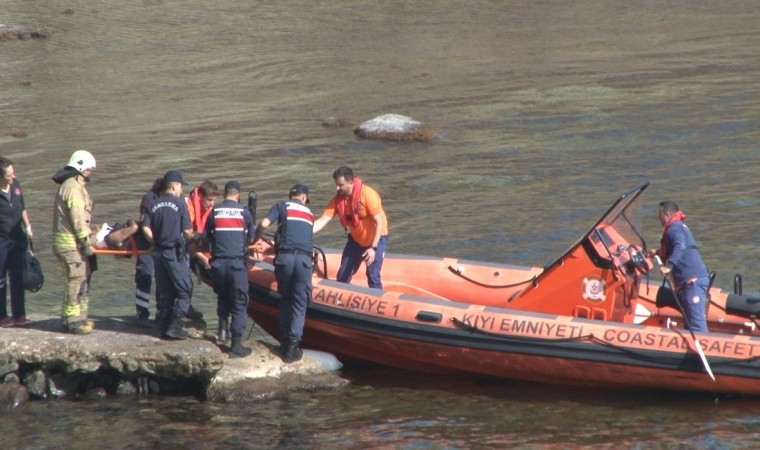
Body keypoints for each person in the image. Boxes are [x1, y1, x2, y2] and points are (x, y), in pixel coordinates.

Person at [254, 184, 314, 363]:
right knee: (300, 302)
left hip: (285, 260)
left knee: (286, 298)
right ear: (304, 198)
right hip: (303, 261)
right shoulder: (309, 214)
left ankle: (283, 342)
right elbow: (302, 240)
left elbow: (264, 224)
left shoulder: (282, 206)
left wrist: (256, 239)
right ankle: (292, 348)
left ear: (291, 195)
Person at [142, 170, 197, 340]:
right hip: (174, 253)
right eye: (180, 186)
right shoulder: (180, 204)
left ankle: (161, 326)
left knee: (165, 291)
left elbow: (145, 228)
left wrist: (154, 242)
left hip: (158, 253)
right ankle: (175, 326)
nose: (181, 190)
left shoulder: (153, 204)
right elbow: (187, 232)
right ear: (173, 186)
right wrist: (198, 239)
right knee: (185, 290)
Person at [312, 166, 389, 289]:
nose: (337, 188)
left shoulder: (368, 194)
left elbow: (379, 222)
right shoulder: (338, 200)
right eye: (336, 184)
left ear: (351, 182)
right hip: (356, 240)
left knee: (373, 275)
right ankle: (341, 301)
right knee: (343, 275)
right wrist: (305, 232)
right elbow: (323, 220)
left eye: (340, 185)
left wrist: (373, 248)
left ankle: (378, 299)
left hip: (376, 239)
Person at [204, 181, 255, 358]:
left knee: (223, 296)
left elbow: (206, 236)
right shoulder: (244, 212)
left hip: (218, 264)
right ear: (238, 195)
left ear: (225, 194)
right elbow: (251, 237)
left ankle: (222, 333)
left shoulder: (214, 211)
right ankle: (236, 346)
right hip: (236, 265)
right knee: (239, 303)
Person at [52, 150, 97, 335]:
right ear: (80, 168)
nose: (90, 173)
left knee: (82, 277)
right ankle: (72, 320)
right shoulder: (73, 188)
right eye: (88, 169)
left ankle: (76, 316)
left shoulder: (75, 186)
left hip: (72, 242)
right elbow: (78, 218)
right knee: (76, 278)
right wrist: (86, 241)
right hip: (70, 244)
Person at [649, 200, 709, 332]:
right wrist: (658, 252)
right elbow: (676, 247)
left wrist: (669, 266)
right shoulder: (678, 227)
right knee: (689, 323)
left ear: (667, 214)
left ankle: (704, 347)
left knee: (696, 324)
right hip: (689, 282)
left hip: (693, 282)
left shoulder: (675, 228)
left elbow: (680, 246)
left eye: (659, 214)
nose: (658, 217)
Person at [0, 157, 33, 327]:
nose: (12, 178)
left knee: (17, 276)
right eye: (8, 175)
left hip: (17, 238)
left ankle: (19, 314)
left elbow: (22, 207)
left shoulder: (16, 186)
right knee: (0, 280)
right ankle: (2, 316)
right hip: (1, 241)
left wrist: (28, 226)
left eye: (13, 174)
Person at [135, 178, 162, 324]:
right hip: (146, 244)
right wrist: (154, 242)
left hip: (160, 244)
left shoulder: (170, 198)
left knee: (162, 278)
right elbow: (144, 221)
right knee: (145, 275)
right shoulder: (150, 198)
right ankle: (142, 312)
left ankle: (161, 311)